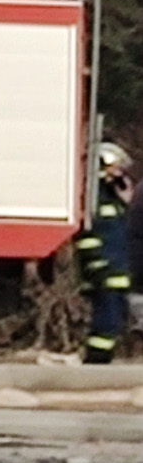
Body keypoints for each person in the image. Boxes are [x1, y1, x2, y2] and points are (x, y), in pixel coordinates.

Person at [79, 142, 135, 363]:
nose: (120, 172)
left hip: (118, 273)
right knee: (105, 323)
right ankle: (95, 365)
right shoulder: (95, 198)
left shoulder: (114, 198)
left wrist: (128, 202)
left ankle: (101, 362)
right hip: (105, 272)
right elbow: (87, 238)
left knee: (112, 323)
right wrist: (97, 266)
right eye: (116, 167)